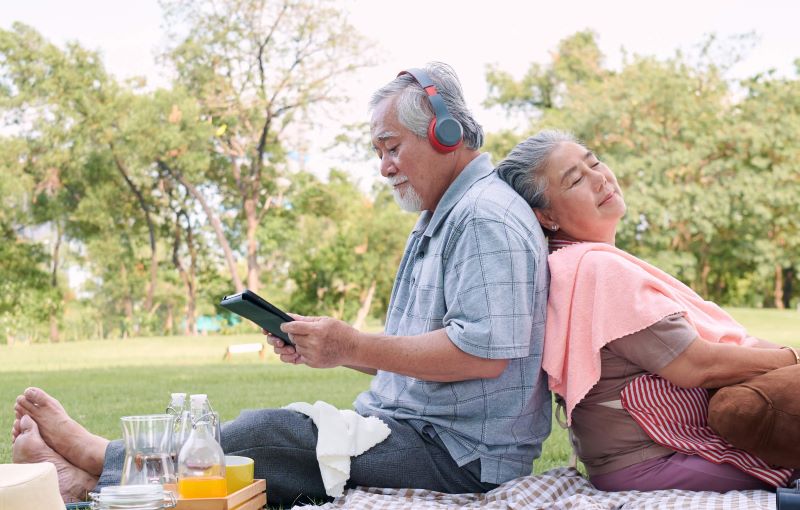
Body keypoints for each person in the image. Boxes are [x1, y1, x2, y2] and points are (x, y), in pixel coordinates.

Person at [12, 63, 552, 506]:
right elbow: (420, 353)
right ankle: (88, 483)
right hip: (417, 430)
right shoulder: (446, 215)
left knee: (268, 436)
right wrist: (333, 348)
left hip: (459, 456)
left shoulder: (482, 217)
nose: (385, 168)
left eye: (391, 147)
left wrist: (353, 345)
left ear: (444, 133)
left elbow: (482, 356)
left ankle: (98, 456)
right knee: (273, 441)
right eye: (378, 153)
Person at [497, 130, 800, 492]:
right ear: (547, 216)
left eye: (594, 163)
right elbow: (695, 364)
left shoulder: (583, 264)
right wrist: (792, 358)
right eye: (576, 180)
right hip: (658, 461)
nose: (599, 178)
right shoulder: (596, 269)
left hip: (661, 455)